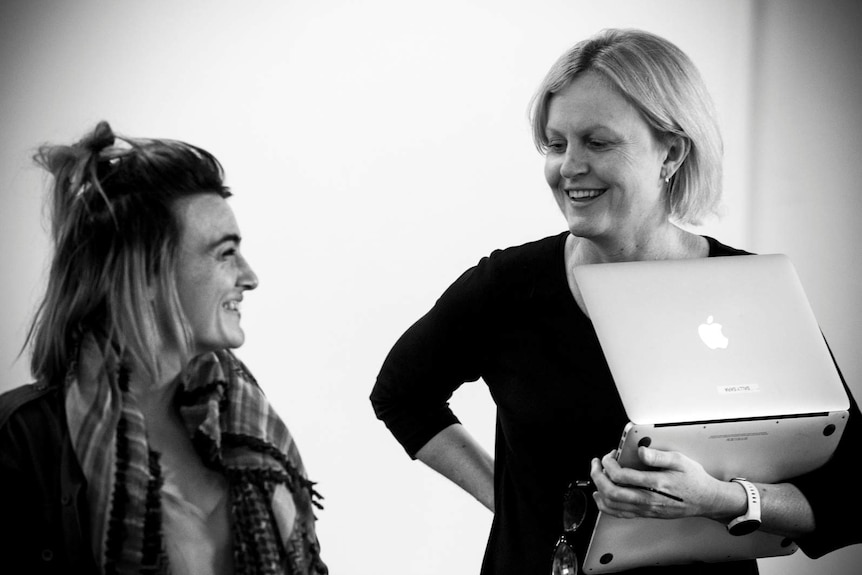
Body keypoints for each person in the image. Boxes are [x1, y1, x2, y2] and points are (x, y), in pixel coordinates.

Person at [370, 28, 862, 574]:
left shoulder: (755, 291)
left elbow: (855, 491)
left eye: (598, 142)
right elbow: (401, 394)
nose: (568, 167)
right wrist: (514, 511)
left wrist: (725, 500)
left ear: (671, 152)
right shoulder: (509, 286)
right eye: (556, 145)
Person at [0, 122, 327, 575]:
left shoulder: (246, 426)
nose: (250, 277)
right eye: (225, 253)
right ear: (147, 274)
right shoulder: (23, 442)